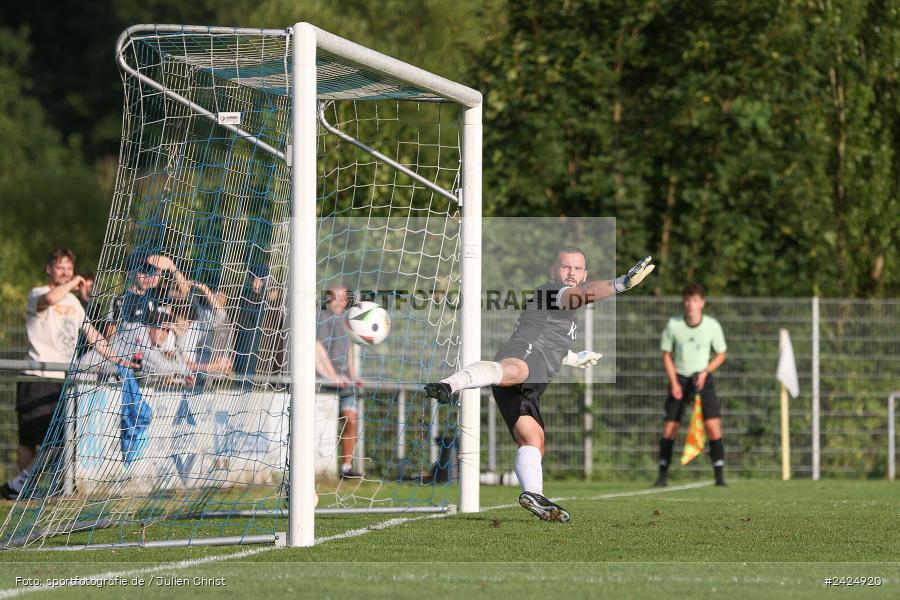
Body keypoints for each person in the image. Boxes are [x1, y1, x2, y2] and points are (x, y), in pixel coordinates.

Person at [425, 249, 655, 522]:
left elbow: (554, 345)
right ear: (553, 271)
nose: (571, 272)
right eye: (565, 266)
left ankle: (533, 495)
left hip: (533, 382)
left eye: (577, 268)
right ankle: (450, 384)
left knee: (533, 440)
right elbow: (578, 297)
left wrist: (574, 358)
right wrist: (620, 284)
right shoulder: (551, 291)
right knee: (515, 370)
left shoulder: (565, 311)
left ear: (585, 274)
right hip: (525, 355)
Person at [1, 248, 118, 500]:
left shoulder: (75, 303)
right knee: (29, 438)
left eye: (69, 268)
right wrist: (75, 283)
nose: (66, 273)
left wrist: (116, 358)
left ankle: (20, 484)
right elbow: (51, 300)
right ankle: (25, 488)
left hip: (63, 379)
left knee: (60, 440)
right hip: (36, 376)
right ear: (49, 269)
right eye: (60, 267)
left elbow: (93, 335)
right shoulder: (39, 294)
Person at [654, 283, 728, 488]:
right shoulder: (673, 324)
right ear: (683, 302)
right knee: (670, 428)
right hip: (680, 379)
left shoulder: (712, 326)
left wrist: (705, 372)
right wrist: (674, 382)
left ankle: (719, 477)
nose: (691, 304)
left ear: (702, 303)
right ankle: (662, 476)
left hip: (702, 379)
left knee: (713, 427)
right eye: (687, 300)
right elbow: (666, 354)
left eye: (695, 300)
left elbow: (721, 354)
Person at [316, 286, 365, 479]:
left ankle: (346, 467)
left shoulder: (348, 321)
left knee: (351, 420)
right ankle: (320, 468)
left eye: (344, 298)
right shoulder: (319, 318)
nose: (340, 302)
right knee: (322, 427)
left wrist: (354, 375)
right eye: (335, 298)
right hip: (322, 382)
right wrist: (331, 376)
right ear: (327, 300)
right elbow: (316, 348)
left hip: (345, 382)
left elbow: (350, 350)